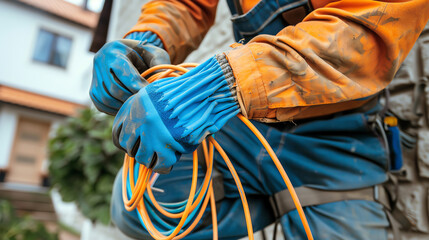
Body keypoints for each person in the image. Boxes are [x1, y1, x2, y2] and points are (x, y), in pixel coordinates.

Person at [90, 0, 429, 239]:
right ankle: (281, 201)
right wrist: (146, 42)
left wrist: (220, 84)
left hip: (340, 137)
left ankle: (315, 199)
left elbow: (367, 29)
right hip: (254, 119)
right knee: (135, 208)